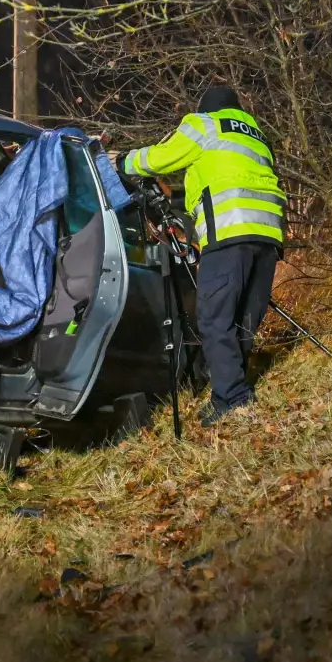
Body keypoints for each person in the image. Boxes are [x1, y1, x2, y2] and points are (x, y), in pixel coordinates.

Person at [118, 86, 287, 425]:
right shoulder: (257, 135)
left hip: (229, 233)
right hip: (268, 236)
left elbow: (159, 159)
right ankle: (227, 392)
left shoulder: (204, 124)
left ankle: (234, 399)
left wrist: (123, 160)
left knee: (214, 318)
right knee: (242, 319)